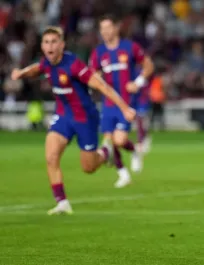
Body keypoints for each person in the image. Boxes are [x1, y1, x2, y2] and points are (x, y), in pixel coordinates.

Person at [10, 26, 135, 215]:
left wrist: (125, 108)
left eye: (53, 42)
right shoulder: (46, 63)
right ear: (43, 46)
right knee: (51, 157)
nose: (49, 46)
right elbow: (37, 69)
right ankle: (62, 202)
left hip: (85, 119)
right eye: (46, 42)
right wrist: (21, 73)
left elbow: (103, 87)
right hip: (63, 116)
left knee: (88, 167)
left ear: (62, 45)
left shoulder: (74, 65)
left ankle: (106, 152)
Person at [90, 14, 155, 188]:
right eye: (102, 29)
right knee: (109, 140)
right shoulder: (98, 53)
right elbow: (92, 74)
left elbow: (149, 65)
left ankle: (134, 151)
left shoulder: (129, 47)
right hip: (108, 103)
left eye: (107, 28)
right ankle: (123, 174)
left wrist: (138, 82)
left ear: (116, 28)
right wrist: (96, 78)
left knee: (119, 141)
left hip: (126, 103)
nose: (104, 32)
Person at [131, 69, 153, 154]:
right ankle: (141, 141)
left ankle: (142, 140)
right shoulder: (132, 70)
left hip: (143, 101)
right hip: (135, 100)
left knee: (142, 121)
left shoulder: (144, 72)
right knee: (138, 122)